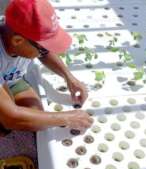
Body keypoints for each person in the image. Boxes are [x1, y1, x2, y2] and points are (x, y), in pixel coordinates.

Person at [0, 0, 93, 136]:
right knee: (7, 124)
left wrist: (69, 77)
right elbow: (12, 118)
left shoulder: (15, 32)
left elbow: (45, 52)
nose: (45, 51)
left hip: (12, 78)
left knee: (37, 119)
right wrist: (67, 117)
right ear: (18, 41)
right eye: (42, 49)